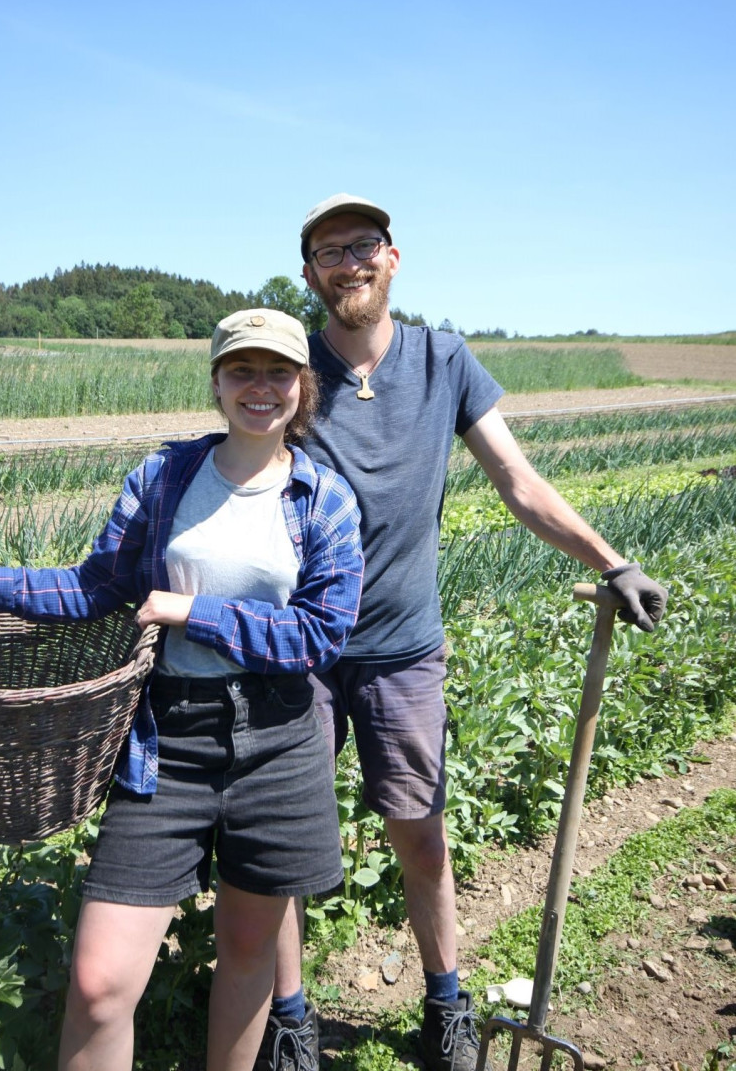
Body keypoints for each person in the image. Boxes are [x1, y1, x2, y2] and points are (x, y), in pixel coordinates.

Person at [259, 195, 668, 1071]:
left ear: (393, 258)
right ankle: (288, 1020)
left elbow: (517, 479)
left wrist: (610, 560)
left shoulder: (445, 361)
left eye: (363, 245)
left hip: (404, 646)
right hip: (301, 648)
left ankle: (447, 1003)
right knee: (286, 838)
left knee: (422, 832)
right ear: (309, 274)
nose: (348, 263)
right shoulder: (289, 367)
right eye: (329, 252)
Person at [0, 308, 364, 1071]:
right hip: (171, 741)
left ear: (303, 386)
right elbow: (96, 586)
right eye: (242, 371)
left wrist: (199, 611)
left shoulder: (326, 501)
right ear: (218, 383)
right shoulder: (164, 480)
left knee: (249, 953)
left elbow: (321, 636)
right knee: (98, 984)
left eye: (278, 372)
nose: (261, 388)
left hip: (279, 740)